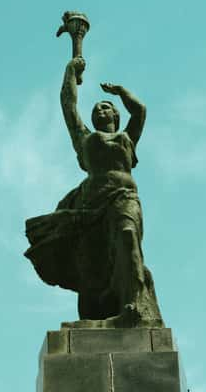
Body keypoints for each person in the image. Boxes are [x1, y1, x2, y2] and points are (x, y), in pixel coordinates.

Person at [25, 57, 164, 328]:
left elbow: (140, 111)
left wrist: (120, 93)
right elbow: (68, 105)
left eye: (106, 107)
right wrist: (70, 70)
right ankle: (95, 316)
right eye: (97, 108)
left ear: (115, 116)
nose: (101, 110)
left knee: (127, 237)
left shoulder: (127, 138)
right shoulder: (85, 139)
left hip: (123, 197)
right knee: (91, 263)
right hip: (90, 205)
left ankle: (133, 307)